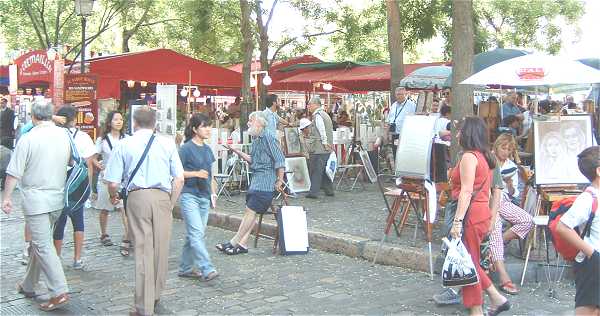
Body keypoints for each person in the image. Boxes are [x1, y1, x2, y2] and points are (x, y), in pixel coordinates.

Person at [104, 107, 184, 316]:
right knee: (161, 249)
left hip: (138, 197)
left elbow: (112, 181)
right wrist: (171, 202)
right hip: (162, 197)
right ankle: (155, 294)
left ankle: (143, 306)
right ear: (155, 124)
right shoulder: (167, 143)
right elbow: (179, 178)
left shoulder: (124, 143)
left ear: (135, 123)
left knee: (143, 249)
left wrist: (113, 195)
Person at [1, 102, 71, 311]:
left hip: (36, 199)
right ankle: (29, 284)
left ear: (33, 116)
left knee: (42, 245)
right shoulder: (64, 136)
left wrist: (6, 197)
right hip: (57, 197)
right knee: (40, 243)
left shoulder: (29, 138)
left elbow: (14, 172)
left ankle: (59, 291)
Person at [449, 116, 509, 316]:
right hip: (481, 212)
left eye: (460, 131)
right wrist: (491, 218)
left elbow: (466, 192)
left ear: (468, 133)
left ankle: (477, 310)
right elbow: (491, 192)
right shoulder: (485, 157)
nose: (457, 134)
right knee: (471, 261)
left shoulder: (468, 157)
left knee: (469, 265)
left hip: (471, 215)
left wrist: (457, 221)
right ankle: (496, 297)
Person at [216, 111, 285, 255]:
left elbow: (280, 160)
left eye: (250, 121)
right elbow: (252, 159)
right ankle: (242, 244)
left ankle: (234, 241)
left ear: (259, 123)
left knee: (250, 211)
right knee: (250, 211)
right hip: (257, 180)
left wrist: (279, 180)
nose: (248, 123)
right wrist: (235, 150)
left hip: (266, 182)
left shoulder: (268, 138)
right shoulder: (256, 139)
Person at [557, 146, 600, 316]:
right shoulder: (588, 198)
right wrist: (591, 253)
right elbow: (563, 226)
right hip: (593, 263)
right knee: (588, 309)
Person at [52, 105, 96, 270]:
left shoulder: (54, 136)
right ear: (74, 119)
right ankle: (77, 258)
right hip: (78, 183)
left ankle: (56, 257)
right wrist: (89, 187)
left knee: (60, 222)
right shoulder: (84, 137)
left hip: (60, 182)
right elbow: (89, 164)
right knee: (78, 221)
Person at [489, 134, 534, 295]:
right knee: (495, 227)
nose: (506, 152)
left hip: (505, 200)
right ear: (497, 146)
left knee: (527, 220)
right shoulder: (488, 159)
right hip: (488, 201)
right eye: (503, 148)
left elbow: (514, 193)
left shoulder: (511, 166)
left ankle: (494, 247)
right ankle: (504, 277)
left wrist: (508, 183)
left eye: (509, 149)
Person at [177, 113, 219, 281]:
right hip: (189, 195)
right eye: (204, 126)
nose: (208, 129)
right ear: (194, 129)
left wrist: (213, 193)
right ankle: (206, 267)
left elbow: (211, 175)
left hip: (204, 196)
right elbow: (176, 173)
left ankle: (185, 267)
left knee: (195, 234)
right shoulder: (185, 149)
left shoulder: (208, 150)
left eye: (209, 126)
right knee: (196, 233)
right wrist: (195, 174)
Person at [92, 111, 131, 256]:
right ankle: (103, 233)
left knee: (124, 209)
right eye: (116, 119)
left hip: (122, 178)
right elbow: (94, 158)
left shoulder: (127, 139)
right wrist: (100, 165)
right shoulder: (102, 140)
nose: (119, 122)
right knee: (105, 208)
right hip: (106, 178)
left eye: (121, 119)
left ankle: (128, 237)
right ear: (110, 122)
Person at [305, 97, 335, 199]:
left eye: (309, 104)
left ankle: (313, 192)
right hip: (325, 147)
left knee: (316, 170)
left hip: (319, 147)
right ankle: (329, 190)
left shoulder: (318, 115)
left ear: (316, 104)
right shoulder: (325, 114)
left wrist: (325, 143)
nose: (308, 106)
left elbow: (322, 130)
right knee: (323, 170)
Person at [385, 87, 417, 155]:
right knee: (395, 154)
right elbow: (388, 121)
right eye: (397, 94)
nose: (399, 96)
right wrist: (387, 135)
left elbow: (416, 120)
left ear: (405, 94)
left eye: (401, 94)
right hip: (394, 134)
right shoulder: (393, 105)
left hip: (405, 135)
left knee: (404, 155)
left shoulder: (411, 105)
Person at [431, 105, 451, 183]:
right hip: (443, 146)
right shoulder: (448, 122)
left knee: (436, 166)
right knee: (443, 166)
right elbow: (442, 134)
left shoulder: (436, 120)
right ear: (448, 114)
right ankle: (443, 183)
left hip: (434, 144)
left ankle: (436, 182)